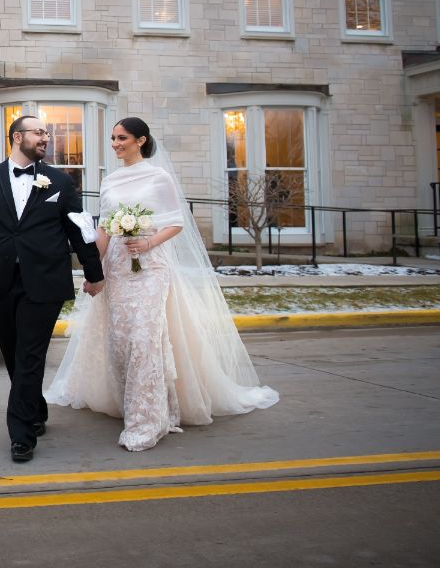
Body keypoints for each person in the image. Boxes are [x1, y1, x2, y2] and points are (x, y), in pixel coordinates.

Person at [45, 117, 279, 451]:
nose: (115, 144)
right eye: (112, 138)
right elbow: (105, 230)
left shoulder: (159, 177)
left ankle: (147, 419)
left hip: (150, 267)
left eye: (121, 137)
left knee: (145, 339)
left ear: (141, 140)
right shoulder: (110, 181)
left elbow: (177, 222)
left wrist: (148, 243)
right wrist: (91, 267)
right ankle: (131, 401)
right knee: (120, 340)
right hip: (117, 269)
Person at [0, 114, 105, 463]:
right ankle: (35, 409)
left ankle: (21, 435)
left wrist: (94, 271)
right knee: (15, 355)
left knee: (30, 355)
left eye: (47, 133)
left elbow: (79, 229)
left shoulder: (60, 181)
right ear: (16, 137)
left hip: (44, 281)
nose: (46, 137)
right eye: (39, 132)